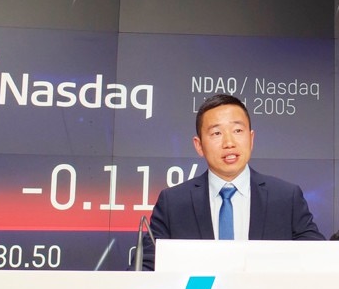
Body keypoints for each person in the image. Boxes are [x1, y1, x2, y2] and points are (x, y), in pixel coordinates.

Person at [138, 94, 325, 270]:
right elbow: (144, 268)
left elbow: (318, 262)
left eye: (237, 131)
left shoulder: (286, 198)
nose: (229, 142)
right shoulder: (173, 203)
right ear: (199, 145)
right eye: (216, 133)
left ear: (251, 138)